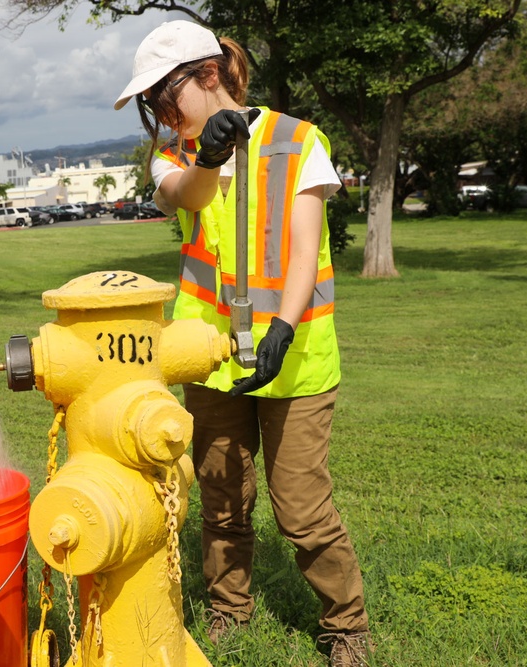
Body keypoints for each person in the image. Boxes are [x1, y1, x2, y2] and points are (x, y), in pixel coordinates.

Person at [114, 21, 371, 667]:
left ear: (206, 74)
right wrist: (209, 157)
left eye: (163, 97)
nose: (161, 115)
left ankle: (348, 626)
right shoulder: (177, 156)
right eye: (152, 106)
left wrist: (283, 324)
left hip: (299, 357)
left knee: (303, 510)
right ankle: (230, 610)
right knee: (224, 499)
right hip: (209, 357)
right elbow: (189, 196)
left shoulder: (299, 140)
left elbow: (307, 246)